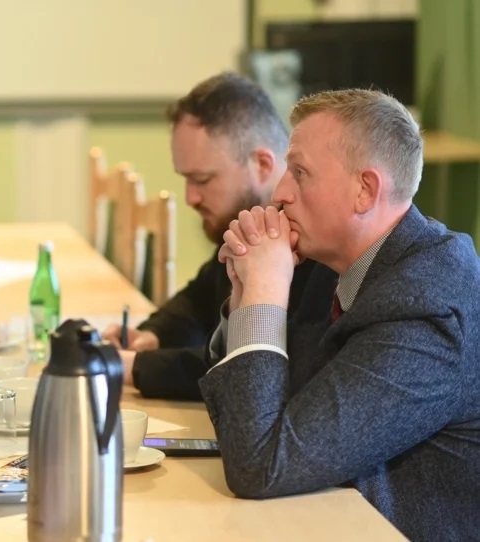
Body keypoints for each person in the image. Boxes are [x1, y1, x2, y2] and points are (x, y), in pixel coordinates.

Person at [204, 89, 480, 541]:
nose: (280, 193)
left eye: (300, 173)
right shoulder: (332, 267)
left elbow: (261, 466)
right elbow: (254, 420)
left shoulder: (427, 306)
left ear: (364, 191)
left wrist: (265, 291)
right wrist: (244, 295)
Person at [99, 72, 307, 400]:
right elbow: (199, 297)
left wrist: (131, 366)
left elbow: (241, 366)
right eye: (185, 179)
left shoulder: (308, 243)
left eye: (202, 180)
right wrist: (153, 335)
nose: (190, 198)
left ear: (263, 164)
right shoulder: (250, 222)